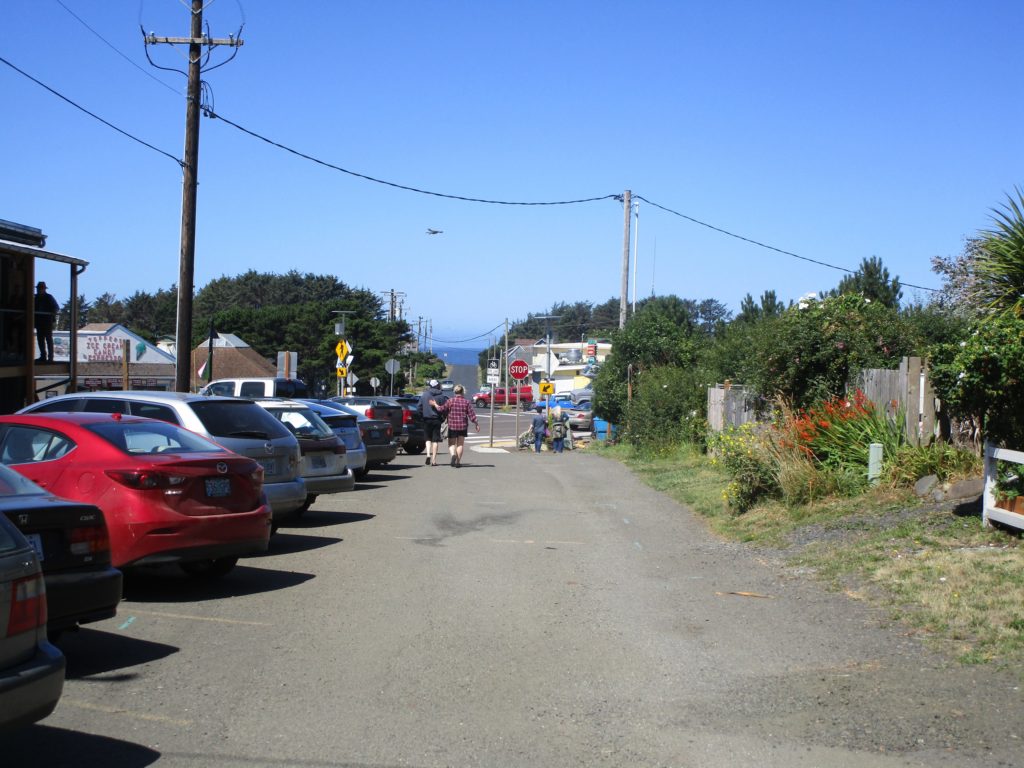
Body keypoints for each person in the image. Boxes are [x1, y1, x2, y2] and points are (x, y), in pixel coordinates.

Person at [432, 384, 478, 468]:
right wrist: (476, 423)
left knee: (451, 444)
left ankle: (453, 455)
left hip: (452, 426)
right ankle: (458, 462)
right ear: (463, 392)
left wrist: (435, 404)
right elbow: (471, 415)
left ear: (455, 392)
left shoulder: (450, 401)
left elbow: (441, 409)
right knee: (460, 444)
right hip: (463, 426)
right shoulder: (466, 402)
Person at [418, 379, 447, 466]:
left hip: (426, 419)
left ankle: (427, 455)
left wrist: (422, 416)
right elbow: (445, 409)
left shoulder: (425, 395)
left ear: (430, 386)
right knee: (435, 440)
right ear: (437, 385)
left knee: (427, 439)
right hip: (437, 420)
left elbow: (418, 408)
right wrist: (444, 418)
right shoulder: (441, 396)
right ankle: (434, 460)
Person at [33, 281, 59, 363]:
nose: (39, 290)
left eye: (40, 288)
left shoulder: (49, 297)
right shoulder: (35, 298)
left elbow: (56, 307)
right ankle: (43, 356)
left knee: (48, 339)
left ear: (44, 289)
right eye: (38, 288)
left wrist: (51, 313)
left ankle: (50, 357)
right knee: (40, 339)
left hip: (47, 322)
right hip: (39, 322)